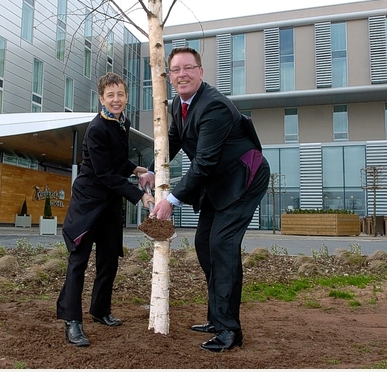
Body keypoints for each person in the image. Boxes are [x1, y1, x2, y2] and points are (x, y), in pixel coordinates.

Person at [139, 47, 270, 352]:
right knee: (204, 244)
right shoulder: (178, 105)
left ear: (200, 71)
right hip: (218, 181)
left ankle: (229, 330)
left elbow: (205, 162)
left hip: (243, 177)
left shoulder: (215, 107)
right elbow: (173, 140)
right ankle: (216, 317)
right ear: (169, 76)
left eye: (188, 68)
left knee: (222, 245)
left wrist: (170, 199)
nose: (182, 74)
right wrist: (152, 169)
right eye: (176, 70)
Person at [57, 72, 154, 347]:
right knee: (79, 261)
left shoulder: (123, 122)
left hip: (110, 202)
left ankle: (100, 310)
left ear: (126, 96)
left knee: (109, 259)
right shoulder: (96, 129)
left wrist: (136, 169)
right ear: (101, 98)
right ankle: (72, 321)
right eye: (110, 95)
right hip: (88, 202)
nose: (116, 99)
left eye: (120, 94)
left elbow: (117, 161)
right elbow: (104, 174)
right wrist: (141, 197)